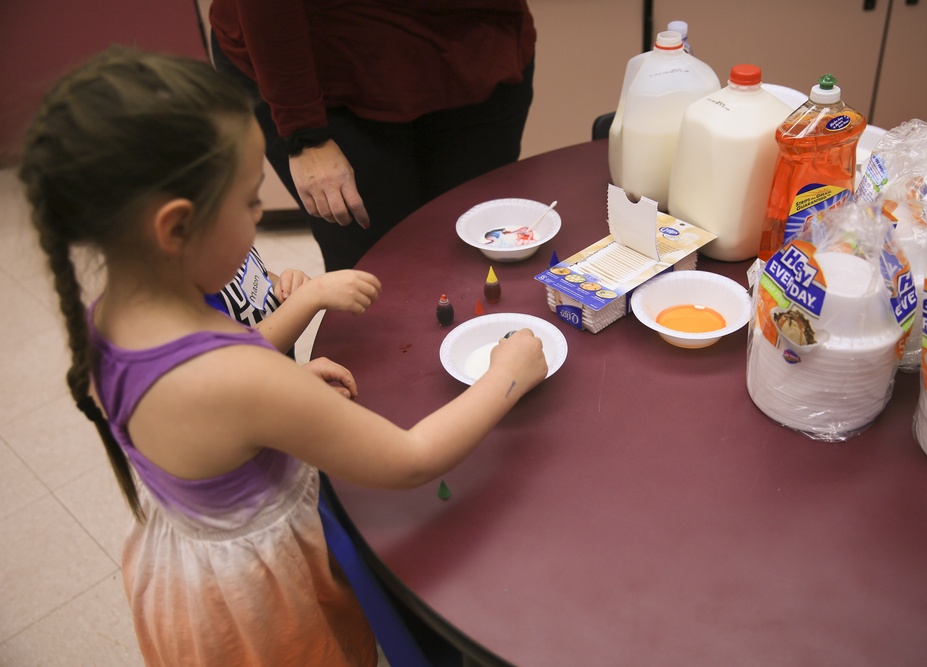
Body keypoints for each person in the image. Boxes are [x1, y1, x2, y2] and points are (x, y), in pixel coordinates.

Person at [18, 47, 547, 666]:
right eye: (248, 200)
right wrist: (506, 376)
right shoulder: (234, 380)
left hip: (188, 577)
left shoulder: (110, 315)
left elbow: (219, 409)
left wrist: (281, 390)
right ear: (175, 228)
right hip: (259, 611)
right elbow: (410, 460)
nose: (258, 215)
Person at [208, 0, 536, 272]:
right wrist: (305, 135)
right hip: (325, 72)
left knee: (478, 251)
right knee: (376, 270)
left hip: (480, 47)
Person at [208, 245, 382, 358]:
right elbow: (238, 358)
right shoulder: (193, 292)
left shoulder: (225, 238)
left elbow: (257, 277)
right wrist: (312, 294)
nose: (257, 214)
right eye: (248, 205)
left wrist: (282, 284)